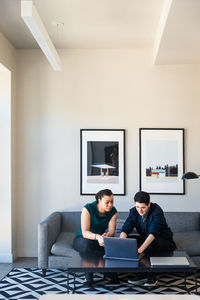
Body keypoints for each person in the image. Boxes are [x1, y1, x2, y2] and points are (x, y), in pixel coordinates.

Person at [120, 191, 176, 286]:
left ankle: (151, 276)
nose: (140, 211)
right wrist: (121, 243)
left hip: (164, 241)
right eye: (137, 207)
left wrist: (140, 250)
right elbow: (126, 228)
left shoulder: (157, 211)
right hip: (147, 239)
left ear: (149, 204)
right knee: (130, 240)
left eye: (143, 208)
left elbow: (153, 233)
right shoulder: (134, 211)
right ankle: (142, 274)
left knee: (151, 244)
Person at [73, 189, 118, 285]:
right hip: (82, 239)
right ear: (99, 200)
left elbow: (111, 231)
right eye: (107, 202)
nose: (110, 205)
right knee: (87, 243)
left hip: (99, 239)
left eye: (112, 201)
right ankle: (88, 277)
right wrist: (98, 237)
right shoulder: (88, 208)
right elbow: (85, 232)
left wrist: (107, 235)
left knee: (111, 245)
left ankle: (109, 273)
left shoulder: (113, 212)